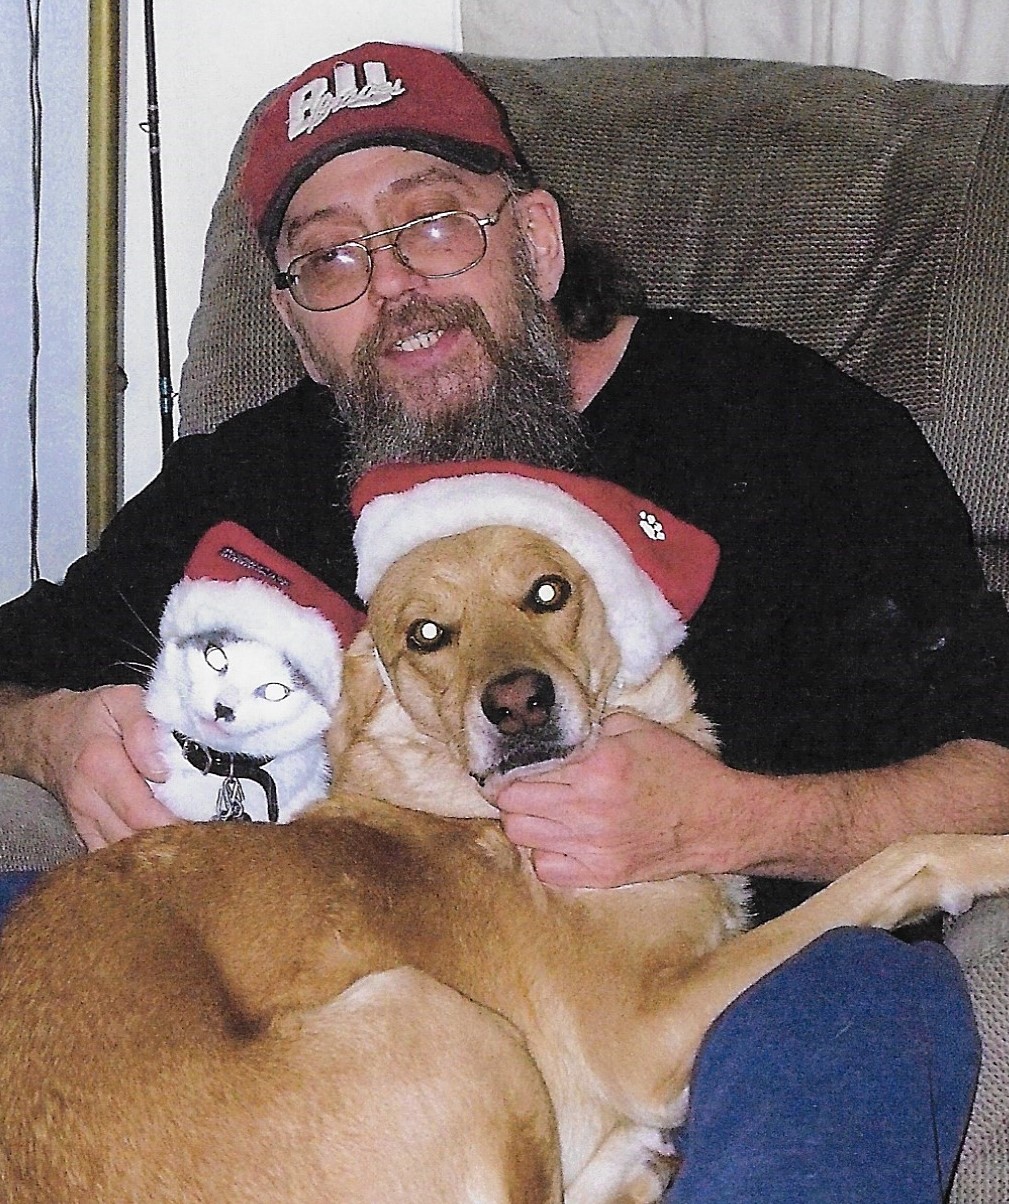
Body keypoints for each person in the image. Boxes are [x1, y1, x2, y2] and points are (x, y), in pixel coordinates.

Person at [1, 41, 1007, 1199]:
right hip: (320, 1030)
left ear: (534, 239)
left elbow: (993, 760)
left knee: (861, 1010)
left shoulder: (780, 425)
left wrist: (737, 819)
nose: (391, 285)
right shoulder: (243, 480)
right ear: (292, 323)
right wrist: (51, 734)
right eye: (329, 257)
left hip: (757, 971)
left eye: (431, 225)